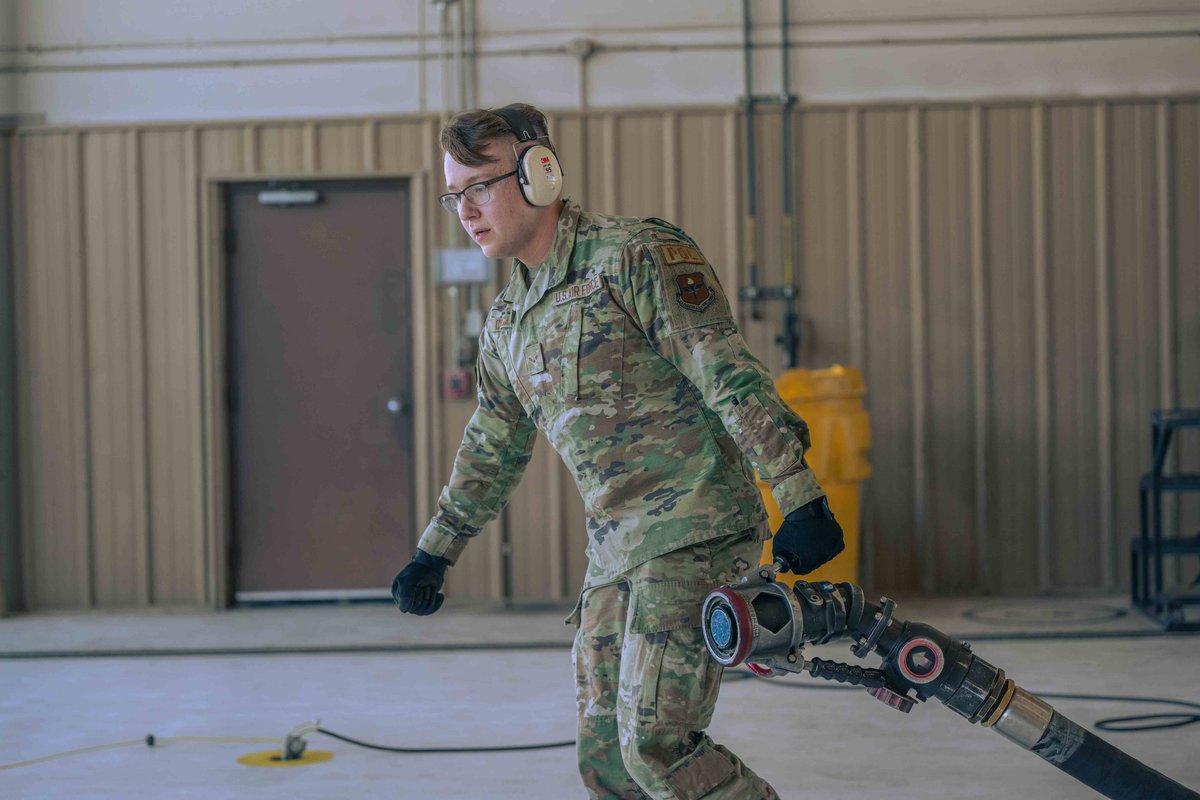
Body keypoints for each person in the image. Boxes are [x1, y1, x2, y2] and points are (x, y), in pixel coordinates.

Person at [392, 103, 845, 800]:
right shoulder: (510, 323)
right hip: (614, 554)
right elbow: (493, 442)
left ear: (539, 173)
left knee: (657, 747)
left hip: (695, 527)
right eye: (454, 195)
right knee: (606, 759)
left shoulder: (632, 255)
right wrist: (436, 550)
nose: (466, 210)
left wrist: (798, 493)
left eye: (479, 186)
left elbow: (722, 369)